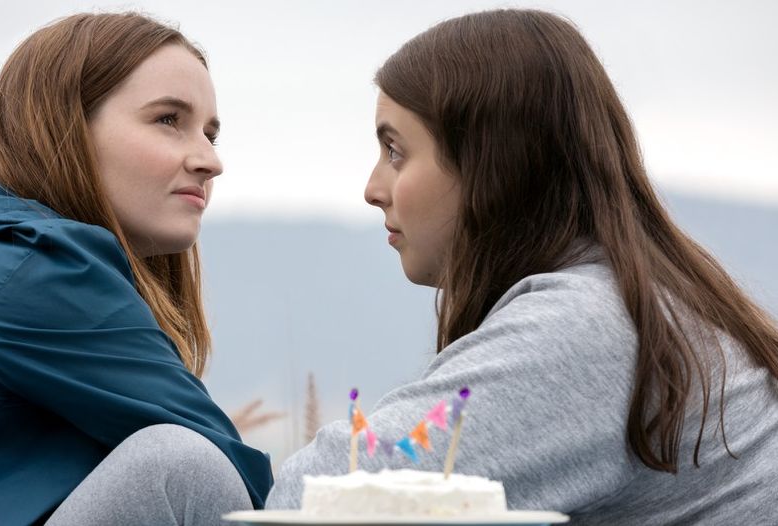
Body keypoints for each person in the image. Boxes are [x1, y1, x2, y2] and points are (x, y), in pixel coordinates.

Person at [266, 9, 778, 524]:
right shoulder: (638, 301)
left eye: (395, 151)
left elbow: (312, 498)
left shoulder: (583, 328)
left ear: (491, 163)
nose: (373, 189)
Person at [0, 12, 271, 526]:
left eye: (210, 134)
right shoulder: (38, 271)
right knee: (187, 466)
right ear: (67, 128)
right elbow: (234, 478)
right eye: (168, 120)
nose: (208, 160)